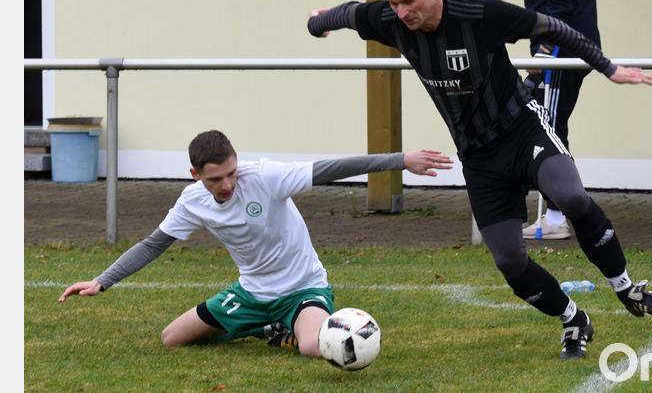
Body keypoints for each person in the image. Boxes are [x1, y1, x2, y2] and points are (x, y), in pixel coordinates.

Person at [307, 0, 652, 359]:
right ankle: (574, 320)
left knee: (570, 196)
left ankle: (627, 289)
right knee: (510, 262)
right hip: (479, 158)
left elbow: (554, 26)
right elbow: (349, 13)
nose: (402, 12)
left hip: (523, 130)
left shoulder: (480, 12)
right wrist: (318, 23)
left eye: (408, 1)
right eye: (393, 4)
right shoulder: (390, 19)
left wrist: (609, 68)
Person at [58, 129, 453, 357]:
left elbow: (332, 168)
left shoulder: (265, 176)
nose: (227, 184)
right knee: (172, 339)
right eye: (215, 179)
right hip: (251, 294)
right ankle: (268, 326)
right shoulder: (191, 201)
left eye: (231, 173)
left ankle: (292, 323)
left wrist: (401, 159)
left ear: (237, 161)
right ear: (195, 174)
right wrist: (102, 281)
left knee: (311, 348)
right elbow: (153, 243)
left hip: (303, 288)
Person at [519, 0, 601, 241]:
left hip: (562, 52)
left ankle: (558, 215)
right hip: (563, 50)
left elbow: (559, 4)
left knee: (548, 129)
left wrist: (544, 51)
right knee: (545, 126)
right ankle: (558, 213)